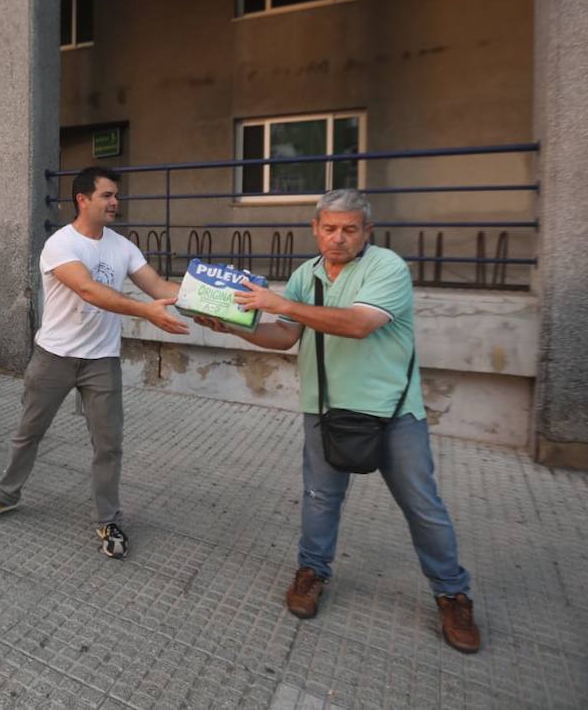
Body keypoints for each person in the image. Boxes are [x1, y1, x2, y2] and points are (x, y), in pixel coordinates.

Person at [196, 187, 480, 653]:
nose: (338, 238)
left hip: (391, 412)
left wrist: (281, 304)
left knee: (422, 506)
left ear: (367, 231)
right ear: (314, 229)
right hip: (325, 408)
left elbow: (357, 323)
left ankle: (452, 593)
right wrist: (231, 325)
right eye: (329, 228)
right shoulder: (305, 275)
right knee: (320, 499)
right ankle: (311, 572)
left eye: (350, 229)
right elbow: (286, 335)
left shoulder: (387, 267)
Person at [0, 167, 190, 560]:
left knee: (108, 445)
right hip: (54, 357)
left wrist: (211, 302)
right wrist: (146, 313)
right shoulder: (60, 244)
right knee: (28, 433)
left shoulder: (123, 246)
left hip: (101, 360)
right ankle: (6, 495)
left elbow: (158, 287)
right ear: (82, 199)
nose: (115, 202)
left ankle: (107, 517)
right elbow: (88, 289)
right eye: (107, 195)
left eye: (116, 195)